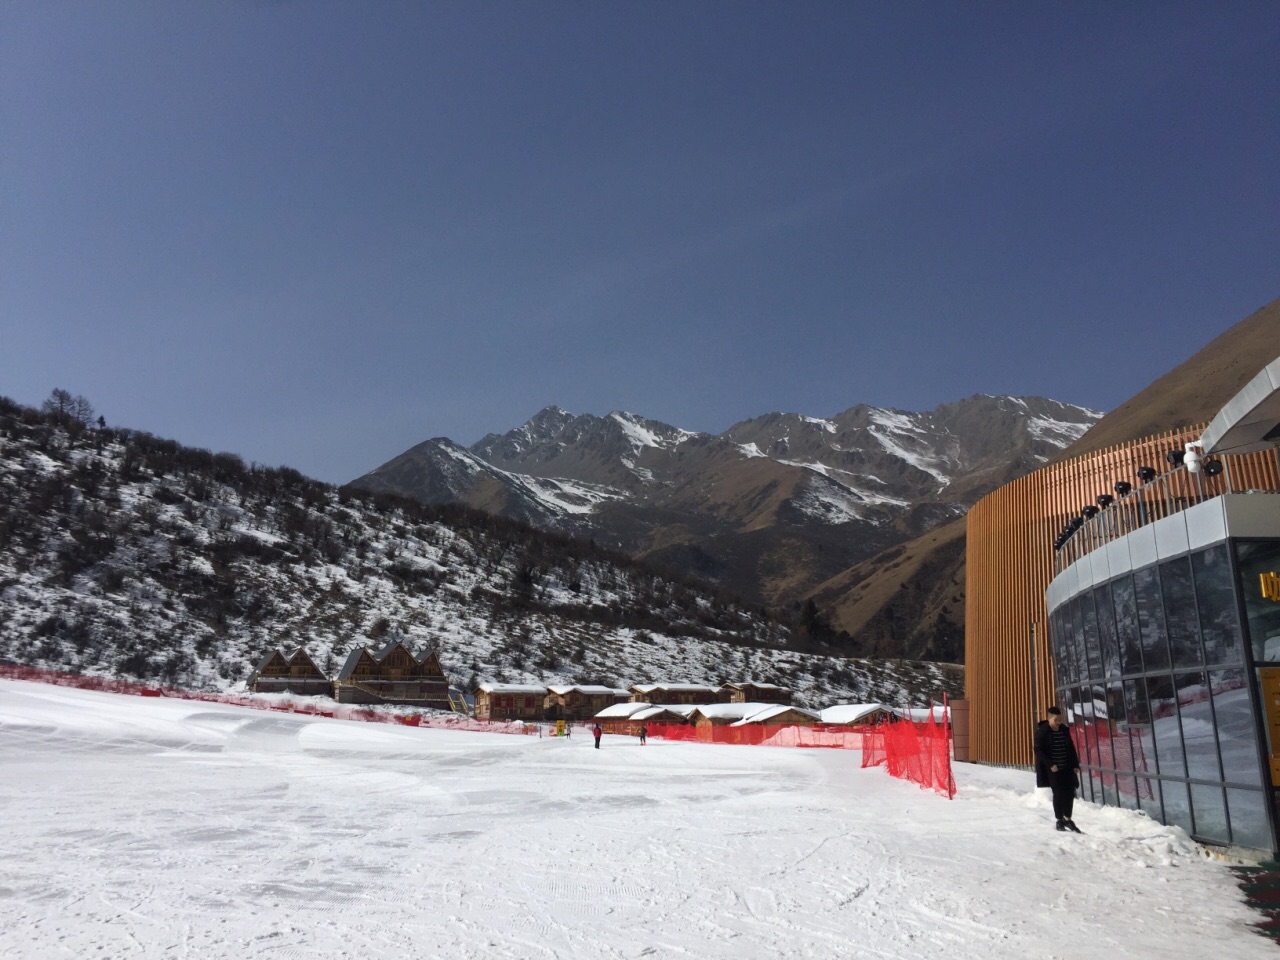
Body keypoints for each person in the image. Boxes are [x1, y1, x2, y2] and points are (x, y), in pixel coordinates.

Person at [1033, 705, 1082, 832]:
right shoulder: (1042, 731)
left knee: (1069, 793)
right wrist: (1050, 764)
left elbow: (1070, 747)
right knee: (1058, 793)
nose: (1058, 722)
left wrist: (1075, 764)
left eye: (1060, 720)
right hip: (1053, 769)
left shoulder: (1064, 730)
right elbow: (1038, 750)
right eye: (1056, 720)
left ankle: (1068, 819)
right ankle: (1059, 820)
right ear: (1049, 719)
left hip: (1067, 767)